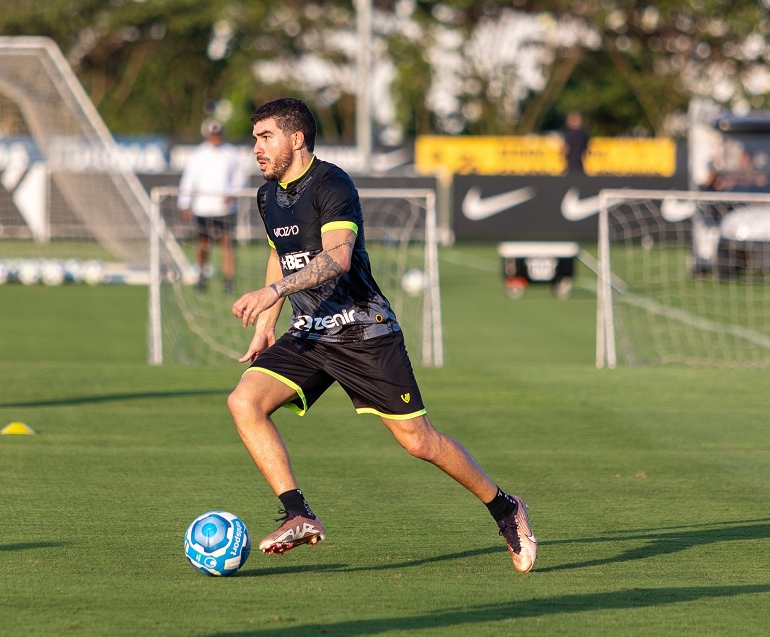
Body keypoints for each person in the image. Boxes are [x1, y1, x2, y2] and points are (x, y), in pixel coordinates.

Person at [227, 98, 537, 573]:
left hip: (363, 331)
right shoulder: (268, 195)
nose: (256, 148)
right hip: (310, 333)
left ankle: (505, 508)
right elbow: (280, 251)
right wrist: (267, 325)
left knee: (418, 441)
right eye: (255, 139)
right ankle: (298, 514)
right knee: (244, 402)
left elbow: (338, 259)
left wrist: (272, 292)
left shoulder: (332, 184)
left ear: (297, 139)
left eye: (265, 137)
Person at [178, 118, 248, 293]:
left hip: (224, 208)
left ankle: (228, 280)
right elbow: (189, 180)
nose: (215, 138)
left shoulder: (231, 153)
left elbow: (241, 178)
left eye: (217, 134)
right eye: (212, 135)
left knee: (227, 242)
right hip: (203, 207)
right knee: (203, 243)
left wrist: (232, 192)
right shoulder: (197, 155)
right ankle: (201, 276)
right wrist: (185, 203)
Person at [562, 110, 589, 175]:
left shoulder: (568, 135)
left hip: (571, 167)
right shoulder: (584, 134)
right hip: (581, 167)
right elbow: (586, 151)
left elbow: (565, 150)